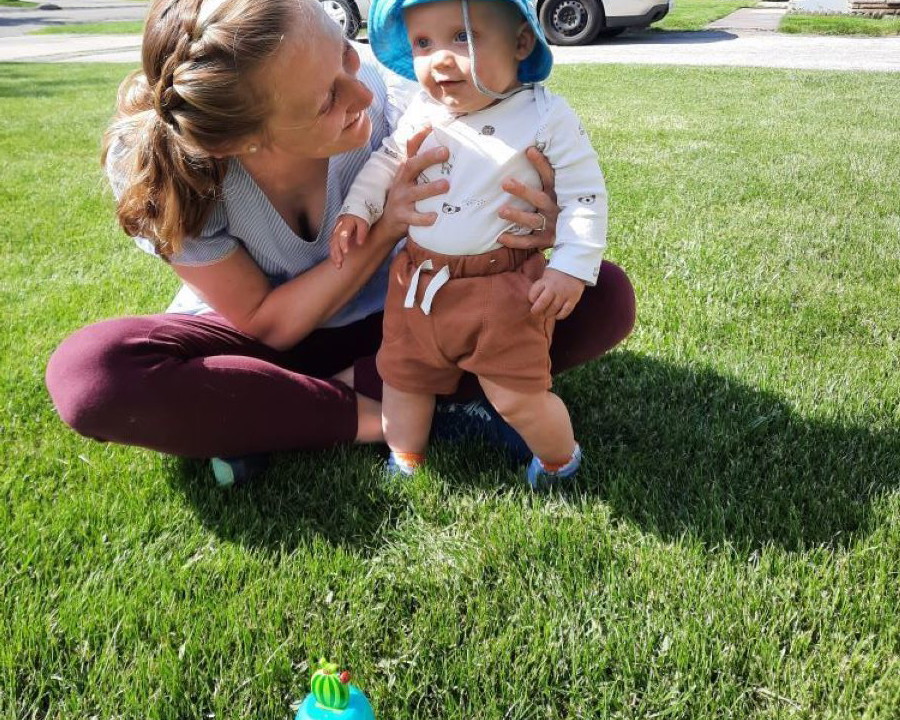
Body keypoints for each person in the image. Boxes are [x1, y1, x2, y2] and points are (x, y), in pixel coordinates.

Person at [44, 0, 636, 486]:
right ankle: (400, 418)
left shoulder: (391, 100)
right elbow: (267, 324)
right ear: (244, 141)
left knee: (602, 295)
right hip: (262, 345)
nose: (362, 95)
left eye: (347, 56)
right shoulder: (172, 168)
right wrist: (384, 231)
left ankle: (271, 416)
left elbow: (502, 178)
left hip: (403, 319)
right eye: (327, 99)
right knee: (92, 374)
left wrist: (540, 221)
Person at [329, 0, 608, 487]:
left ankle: (560, 460)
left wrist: (570, 265)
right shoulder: (423, 109)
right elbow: (389, 162)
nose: (439, 58)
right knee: (404, 378)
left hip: (502, 289)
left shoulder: (545, 114)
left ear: (522, 42)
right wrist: (359, 208)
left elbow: (585, 193)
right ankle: (406, 457)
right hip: (417, 283)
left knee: (516, 391)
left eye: (463, 38)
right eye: (423, 43)